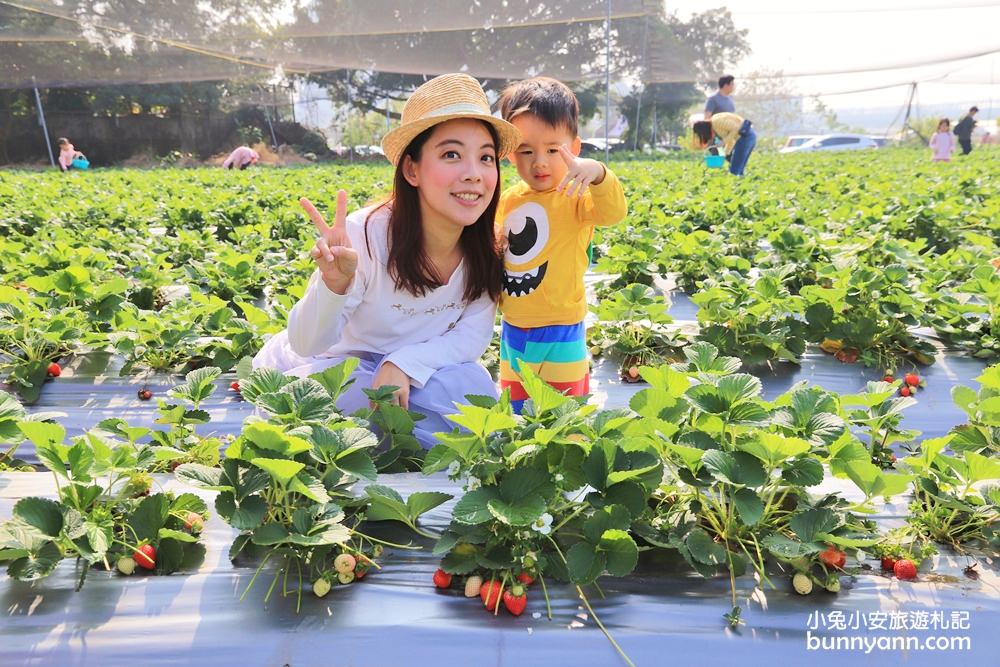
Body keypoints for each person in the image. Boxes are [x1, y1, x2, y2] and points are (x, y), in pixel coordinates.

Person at [252, 73, 521, 448]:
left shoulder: (488, 247)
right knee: (342, 399)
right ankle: (384, 434)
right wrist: (333, 287)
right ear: (412, 170)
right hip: (337, 365)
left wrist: (403, 364)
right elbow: (307, 343)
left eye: (486, 158)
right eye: (451, 155)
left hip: (418, 369)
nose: (473, 174)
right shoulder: (364, 235)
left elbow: (471, 336)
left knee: (474, 390)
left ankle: (380, 435)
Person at [496, 76, 628, 413]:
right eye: (526, 150)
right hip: (513, 328)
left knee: (565, 413)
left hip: (561, 329)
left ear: (576, 148)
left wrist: (597, 173)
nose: (539, 161)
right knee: (516, 411)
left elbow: (613, 212)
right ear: (511, 153)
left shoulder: (576, 197)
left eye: (553, 150)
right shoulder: (505, 201)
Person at [692, 112, 756, 177]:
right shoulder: (715, 125)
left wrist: (723, 142)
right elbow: (731, 139)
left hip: (745, 136)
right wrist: (726, 153)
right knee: (739, 170)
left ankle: (735, 184)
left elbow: (736, 128)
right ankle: (740, 184)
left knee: (734, 171)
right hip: (748, 136)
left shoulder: (716, 122)